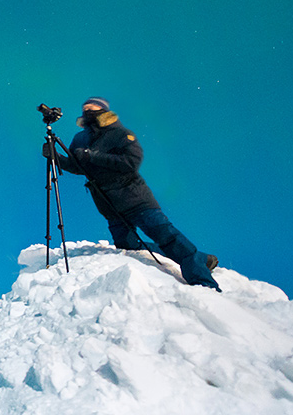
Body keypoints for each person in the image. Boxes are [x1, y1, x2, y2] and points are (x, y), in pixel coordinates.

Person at [48, 97, 220, 290]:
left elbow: (130, 162)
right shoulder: (80, 139)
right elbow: (79, 167)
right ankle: (200, 259)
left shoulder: (121, 134)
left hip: (136, 200)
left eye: (92, 107)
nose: (87, 109)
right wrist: (56, 157)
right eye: (85, 108)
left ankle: (205, 285)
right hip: (110, 205)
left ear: (104, 110)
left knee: (169, 239)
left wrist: (92, 155)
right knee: (129, 247)